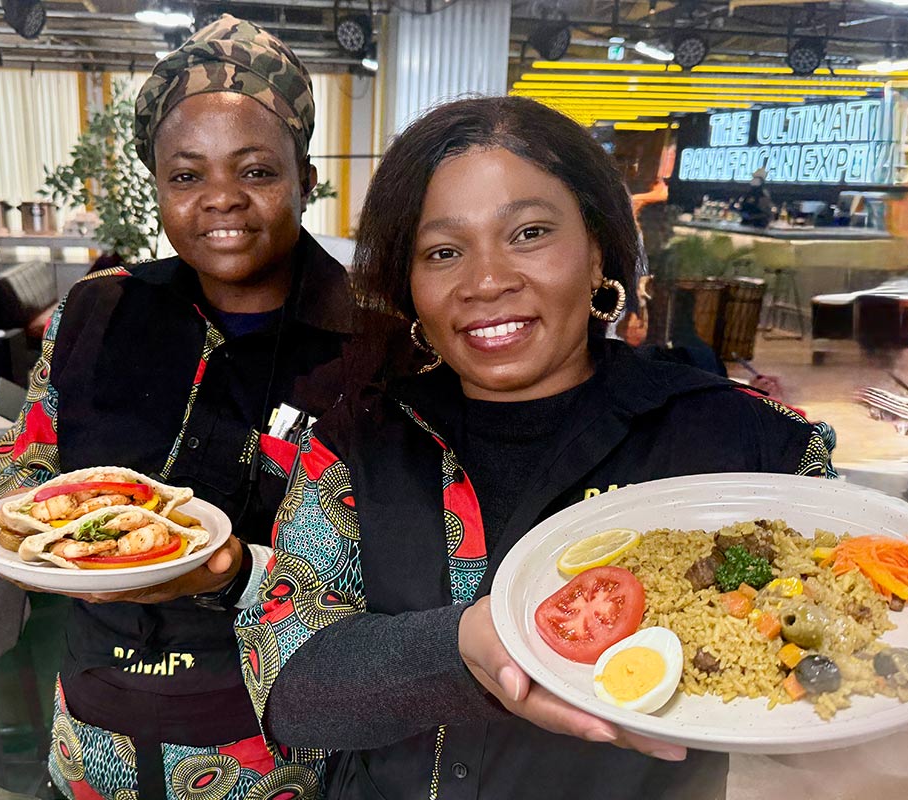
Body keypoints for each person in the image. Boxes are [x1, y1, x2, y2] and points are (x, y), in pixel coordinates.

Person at [234, 96, 836, 800]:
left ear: (598, 251)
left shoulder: (752, 445)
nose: (487, 280)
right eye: (445, 251)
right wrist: (460, 647)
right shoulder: (352, 446)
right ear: (410, 288)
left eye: (529, 233)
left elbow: (843, 670)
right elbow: (290, 688)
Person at [0, 15, 386, 800]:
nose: (221, 200)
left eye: (258, 171)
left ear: (305, 174)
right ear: (157, 184)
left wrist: (239, 572)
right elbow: (23, 456)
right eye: (186, 175)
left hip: (272, 750)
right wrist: (25, 527)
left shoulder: (373, 345)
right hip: (91, 727)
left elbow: (399, 565)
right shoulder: (94, 314)